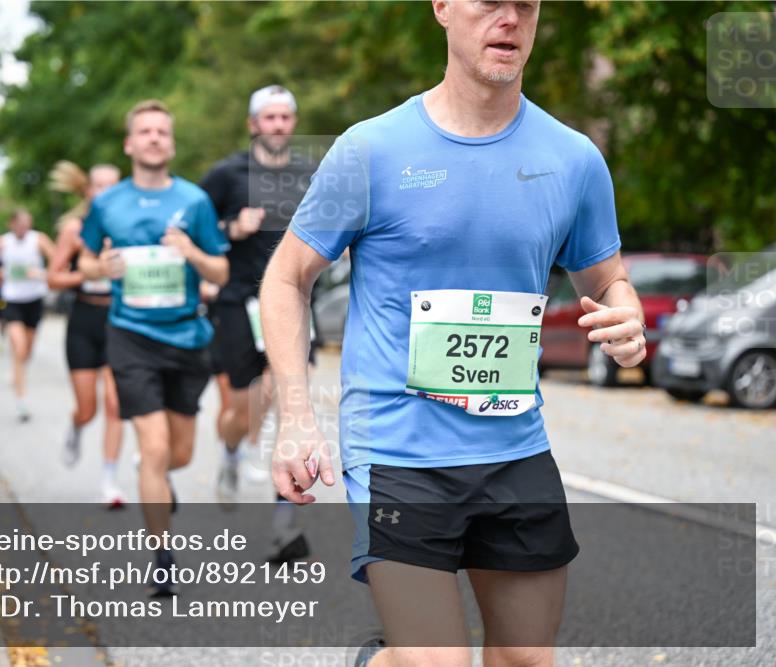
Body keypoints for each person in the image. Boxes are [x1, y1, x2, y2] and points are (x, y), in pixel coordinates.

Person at [260, 2, 647, 665]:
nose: (509, 18)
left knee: (526, 659)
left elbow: (608, 278)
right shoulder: (371, 149)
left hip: (515, 446)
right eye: (489, 1)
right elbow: (287, 277)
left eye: (525, 4)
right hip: (397, 450)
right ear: (442, 7)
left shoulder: (573, 159)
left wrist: (627, 314)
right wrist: (295, 417)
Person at [79, 99, 229, 596]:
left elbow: (221, 271)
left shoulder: (195, 201)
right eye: (145, 131)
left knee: (178, 453)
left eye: (162, 131)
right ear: (129, 143)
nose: (154, 138)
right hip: (131, 336)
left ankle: (155, 478)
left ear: (172, 143)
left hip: (187, 336)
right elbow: (84, 262)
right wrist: (101, 268)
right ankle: (162, 556)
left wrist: (191, 252)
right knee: (156, 446)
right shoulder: (107, 204)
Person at [199, 84, 316, 561]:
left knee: (290, 399)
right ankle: (231, 452)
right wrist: (231, 228)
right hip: (238, 302)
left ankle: (283, 524)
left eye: (285, 117)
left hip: (293, 302)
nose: (278, 125)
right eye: (269, 117)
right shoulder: (225, 175)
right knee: (242, 410)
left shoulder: (309, 175)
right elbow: (193, 234)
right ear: (253, 125)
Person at [47, 160, 127, 507]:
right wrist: (90, 272)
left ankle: (109, 480)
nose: (106, 192)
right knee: (88, 409)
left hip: (118, 320)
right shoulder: (74, 230)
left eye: (113, 185)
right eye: (100, 185)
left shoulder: (130, 227)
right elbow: (53, 278)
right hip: (83, 320)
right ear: (88, 190)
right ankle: (76, 426)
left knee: (115, 405)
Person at [0, 209, 57, 422]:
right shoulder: (2, 242)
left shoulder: (39, 240)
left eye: (27, 224)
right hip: (12, 299)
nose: (24, 228)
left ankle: (18, 371)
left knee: (27, 351)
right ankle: (21, 402)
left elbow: (58, 261)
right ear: (11, 224)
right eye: (20, 224)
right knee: (19, 346)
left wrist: (42, 273)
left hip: (34, 299)